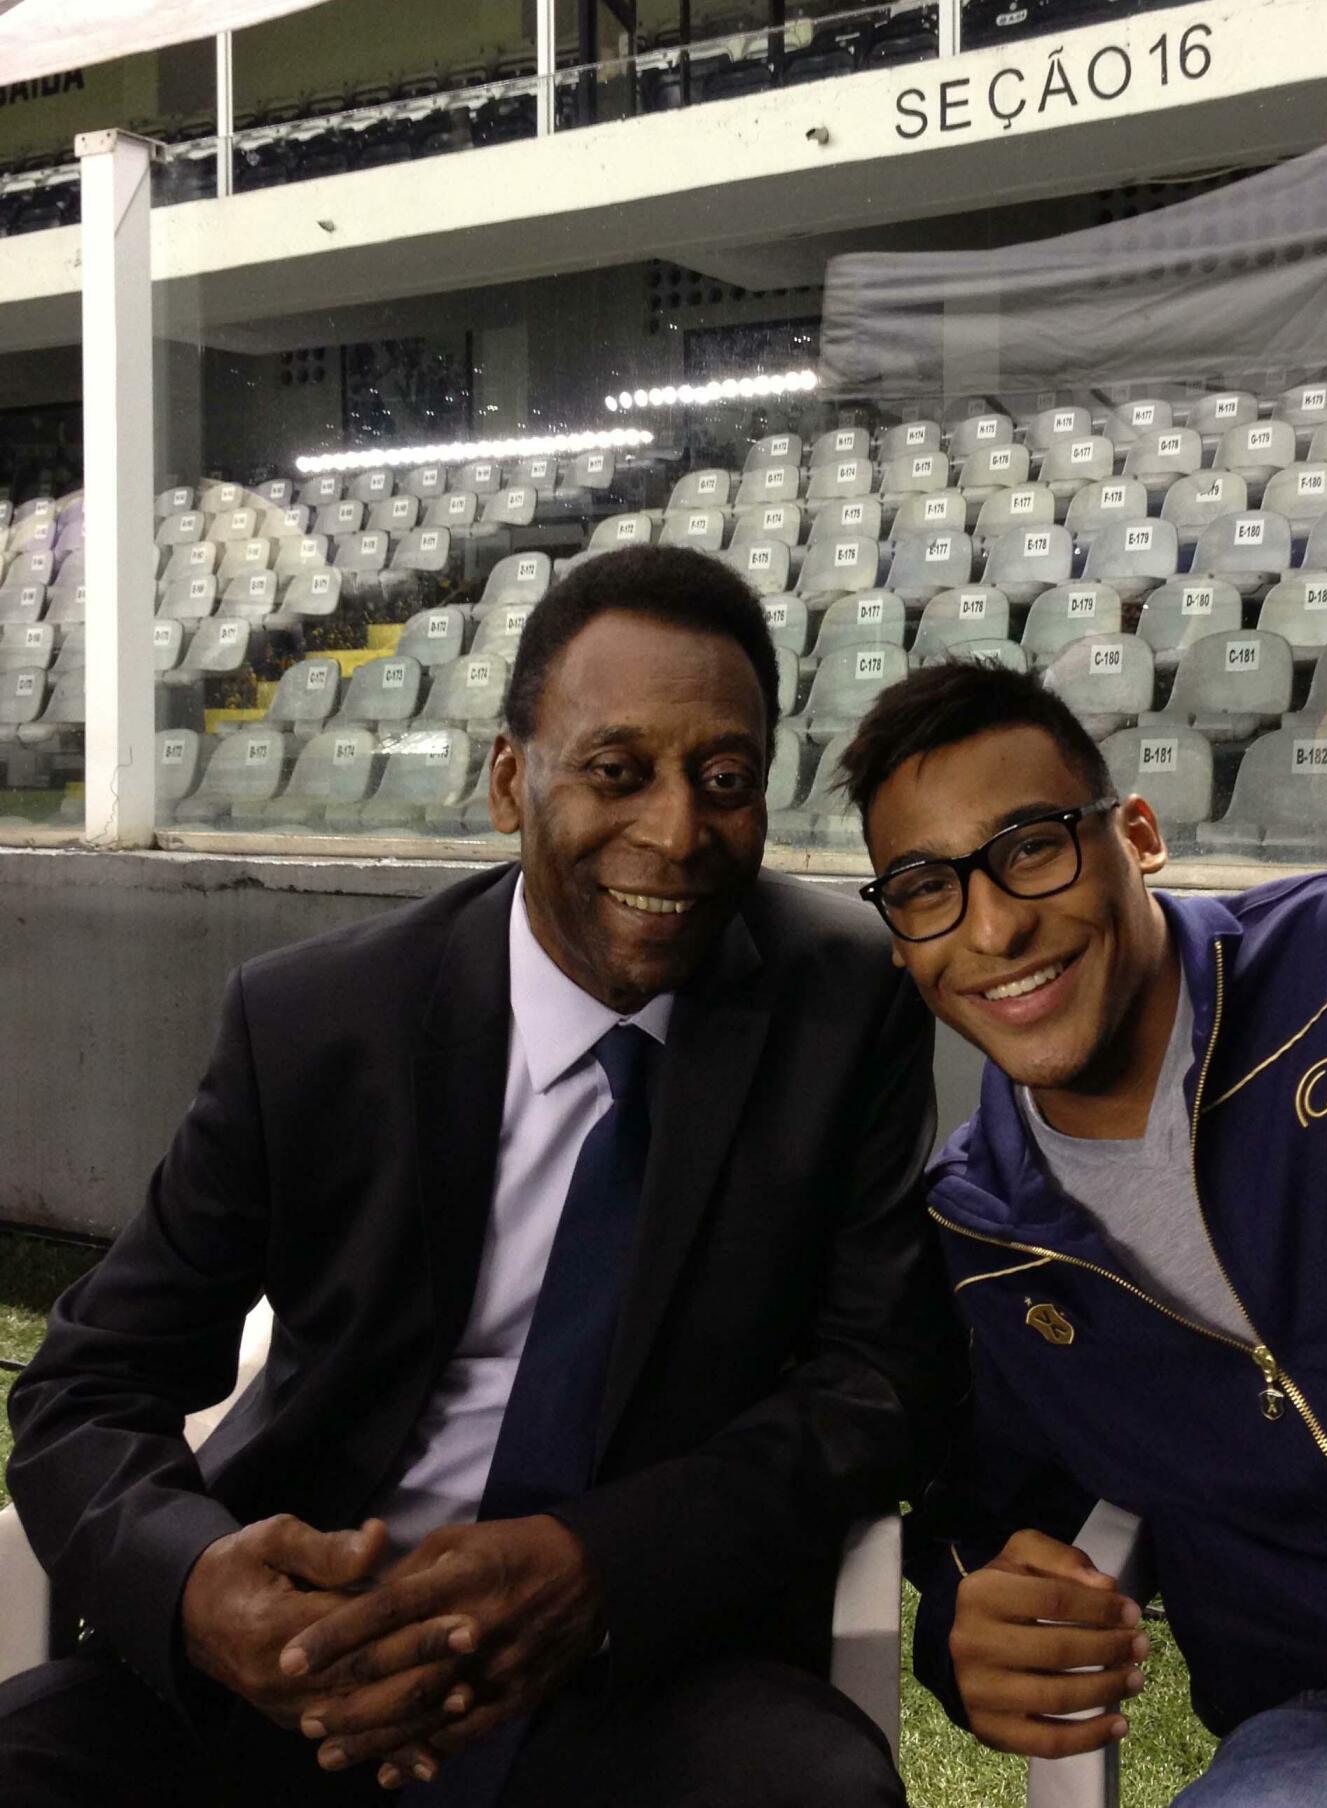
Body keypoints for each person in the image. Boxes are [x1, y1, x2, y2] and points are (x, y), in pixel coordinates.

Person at [1, 545, 954, 1808]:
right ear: (512, 781)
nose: (676, 832)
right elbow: (91, 1382)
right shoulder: (316, 1023)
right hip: (312, 1643)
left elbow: (876, 1381)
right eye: (616, 772)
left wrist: (595, 1564)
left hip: (640, 1659)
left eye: (724, 780)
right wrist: (201, 1587)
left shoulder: (844, 1009)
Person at [839, 657, 1327, 1806]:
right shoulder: (981, 1235)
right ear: (899, 938)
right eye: (923, 888)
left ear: (1138, 836)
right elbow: (990, 1522)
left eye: (1033, 848)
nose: (992, 927)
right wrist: (967, 1625)